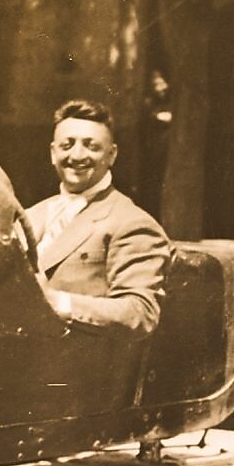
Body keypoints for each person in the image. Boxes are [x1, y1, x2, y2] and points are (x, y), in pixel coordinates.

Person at [26, 99, 171, 339]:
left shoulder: (131, 222)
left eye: (91, 146)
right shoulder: (32, 214)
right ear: (53, 153)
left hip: (73, 358)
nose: (77, 155)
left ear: (112, 155)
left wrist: (56, 301)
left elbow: (140, 312)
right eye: (67, 145)